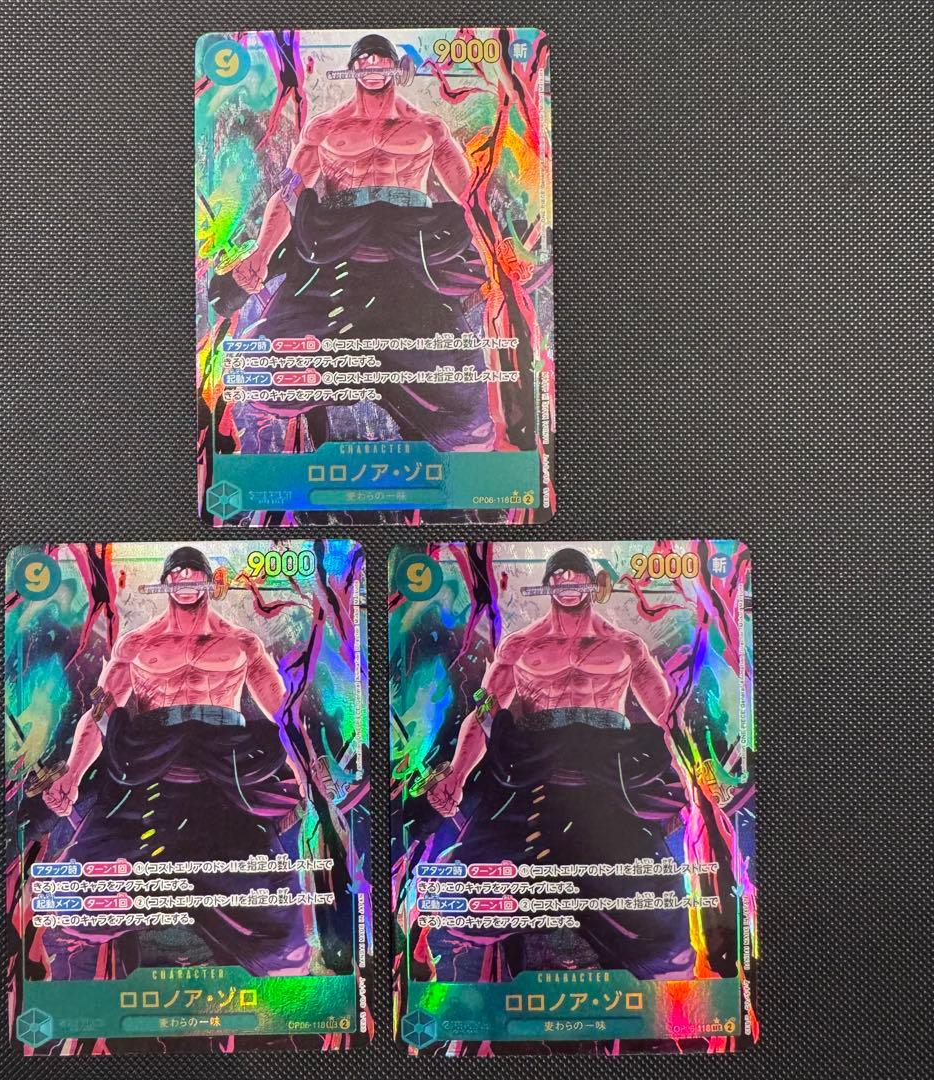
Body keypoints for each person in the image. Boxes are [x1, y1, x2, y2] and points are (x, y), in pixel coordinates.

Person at [41, 546, 312, 977]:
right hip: (151, 768)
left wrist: (305, 767)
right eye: (177, 572)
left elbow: (283, 714)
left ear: (208, 581)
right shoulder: (137, 644)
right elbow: (100, 712)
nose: (185, 579)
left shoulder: (242, 642)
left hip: (225, 772)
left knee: (281, 928)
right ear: (165, 582)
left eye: (193, 571)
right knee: (73, 894)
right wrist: (72, 774)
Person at [426, 547, 695, 979]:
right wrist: (457, 774)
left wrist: (694, 772)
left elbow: (668, 717)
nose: (568, 583)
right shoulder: (520, 645)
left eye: (576, 575)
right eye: (560, 575)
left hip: (609, 773)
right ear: (549, 583)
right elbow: (484, 711)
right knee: (479, 880)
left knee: (652, 898)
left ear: (591, 582)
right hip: (534, 769)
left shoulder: (626, 645)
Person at [225, 33, 494, 449]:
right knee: (268, 365)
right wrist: (261, 252)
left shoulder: (427, 127)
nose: (372, 66)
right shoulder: (325, 127)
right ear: (352, 69)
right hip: (339, 245)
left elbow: (470, 196)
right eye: (363, 59)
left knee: (461, 399)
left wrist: (496, 250)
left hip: (411, 251)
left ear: (395, 68)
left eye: (380, 58)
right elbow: (288, 193)